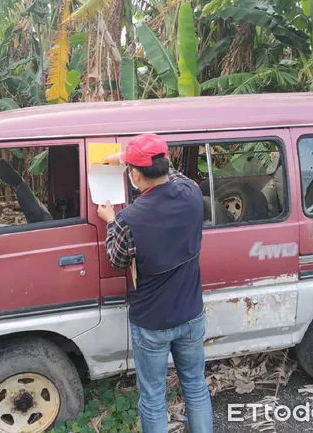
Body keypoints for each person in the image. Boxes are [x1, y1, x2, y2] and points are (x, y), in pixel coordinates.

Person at [97, 134, 213, 433]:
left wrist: (110, 220)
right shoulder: (191, 191)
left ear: (135, 175)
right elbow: (171, 174)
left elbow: (117, 260)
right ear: (166, 163)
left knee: (152, 396)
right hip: (190, 313)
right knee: (196, 385)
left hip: (151, 322)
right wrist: (129, 159)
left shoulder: (127, 220)